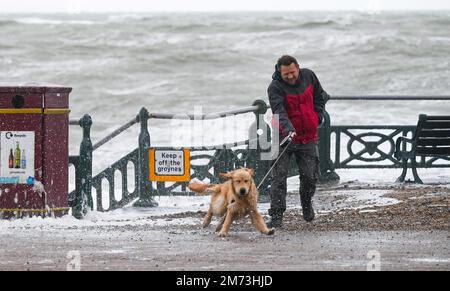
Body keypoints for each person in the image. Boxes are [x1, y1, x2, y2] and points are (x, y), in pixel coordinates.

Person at [267, 55, 329, 227]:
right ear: (279, 71)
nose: (290, 76)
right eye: (286, 73)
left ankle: (306, 204)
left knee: (310, 176)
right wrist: (288, 130)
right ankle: (277, 216)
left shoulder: (309, 76)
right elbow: (278, 112)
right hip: (283, 136)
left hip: (308, 135)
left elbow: (320, 97)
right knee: (279, 179)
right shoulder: (275, 87)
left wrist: (317, 117)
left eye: (292, 72)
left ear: (298, 68)